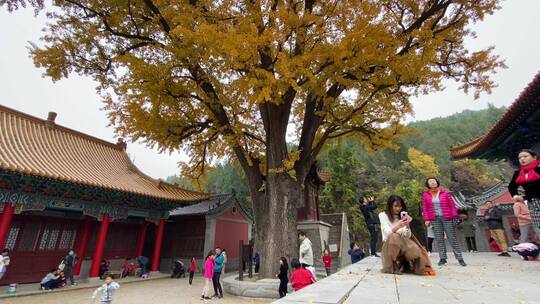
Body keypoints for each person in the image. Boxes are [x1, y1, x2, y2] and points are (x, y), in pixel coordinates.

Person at [380, 195, 435, 275]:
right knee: (394, 236)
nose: (398, 209)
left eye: (400, 206)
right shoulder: (383, 215)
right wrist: (398, 225)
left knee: (415, 249)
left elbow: (407, 235)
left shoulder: (402, 217)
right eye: (395, 206)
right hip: (389, 245)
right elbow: (388, 233)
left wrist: (407, 225)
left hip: (403, 243)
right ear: (390, 206)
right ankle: (394, 264)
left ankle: (405, 261)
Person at [422, 177, 466, 266]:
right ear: (428, 184)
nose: (432, 183)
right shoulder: (426, 194)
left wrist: (454, 216)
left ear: (437, 182)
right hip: (434, 218)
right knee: (439, 238)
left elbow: (452, 205)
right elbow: (425, 208)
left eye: (434, 181)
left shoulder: (445, 192)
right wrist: (427, 219)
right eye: (430, 182)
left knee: (452, 237)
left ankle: (460, 258)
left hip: (447, 217)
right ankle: (443, 258)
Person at [509, 149, 540, 238]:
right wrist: (515, 196)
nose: (522, 159)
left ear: (534, 157)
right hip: (532, 202)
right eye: (520, 157)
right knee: (538, 225)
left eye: (525, 156)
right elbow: (512, 187)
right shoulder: (518, 173)